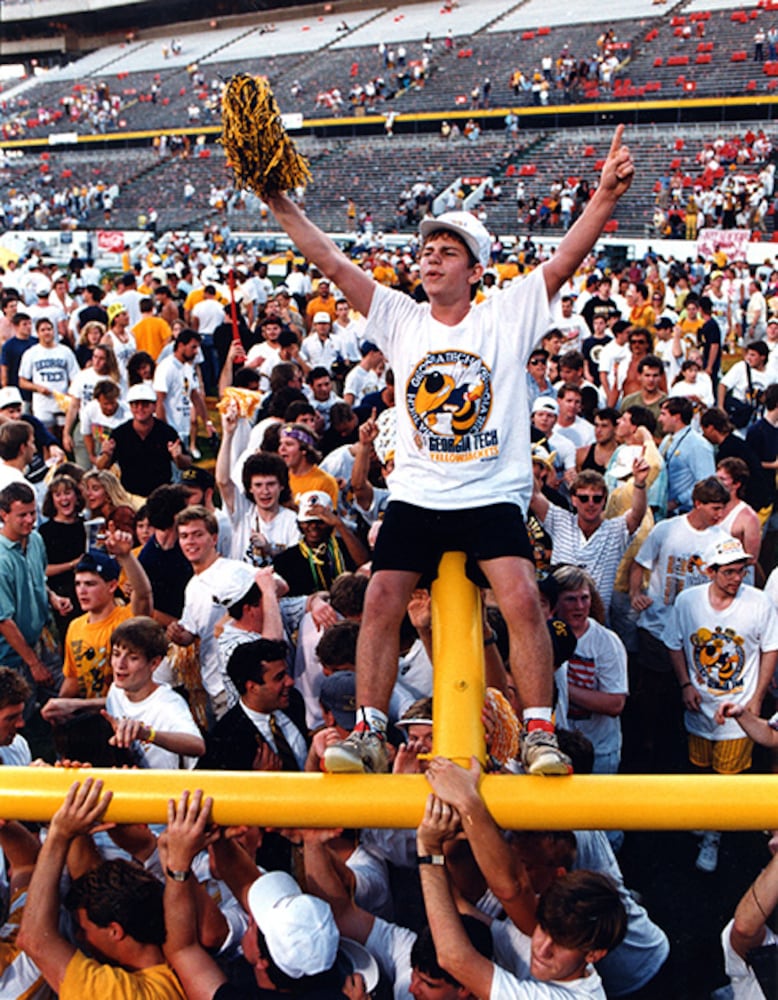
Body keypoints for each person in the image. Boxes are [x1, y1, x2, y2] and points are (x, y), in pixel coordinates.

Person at [268, 125, 635, 775]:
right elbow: (330, 261)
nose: (431, 259)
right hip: (418, 490)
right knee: (380, 598)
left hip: (489, 490)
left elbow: (565, 259)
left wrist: (604, 198)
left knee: (522, 596)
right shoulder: (399, 316)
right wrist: (281, 204)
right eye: (427, 249)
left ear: (475, 268)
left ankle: (538, 731)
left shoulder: (506, 313)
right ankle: (372, 728)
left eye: (447, 250)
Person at [415, 791, 627, 999]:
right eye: (543, 929)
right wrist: (445, 844)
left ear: (594, 954)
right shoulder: (544, 947)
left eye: (562, 943)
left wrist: (429, 850)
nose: (541, 949)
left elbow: (454, 958)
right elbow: (460, 906)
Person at [665, 537, 778, 873]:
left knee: (728, 775)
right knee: (700, 765)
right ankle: (706, 819)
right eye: (729, 572)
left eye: (741, 571)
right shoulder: (687, 602)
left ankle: (713, 835)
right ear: (710, 571)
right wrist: (685, 683)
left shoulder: (758, 603)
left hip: (738, 709)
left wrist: (755, 700)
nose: (737, 578)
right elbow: (674, 643)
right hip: (699, 706)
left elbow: (770, 649)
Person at [16, 778, 186, 999]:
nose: (78, 936)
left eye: (83, 928)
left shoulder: (119, 993)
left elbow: (33, 940)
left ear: (115, 931)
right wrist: (69, 791)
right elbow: (87, 876)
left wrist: (58, 834)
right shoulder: (177, 963)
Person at [530, 459, 649, 618]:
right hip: (559, 618)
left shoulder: (615, 531)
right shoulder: (559, 520)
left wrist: (640, 483)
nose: (590, 504)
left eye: (597, 498)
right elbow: (534, 496)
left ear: (604, 501)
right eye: (584, 498)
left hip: (596, 620)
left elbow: (637, 515)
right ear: (573, 499)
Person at [0, 481, 70, 693]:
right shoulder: (2, 560)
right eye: (22, 515)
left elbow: (39, 580)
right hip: (13, 656)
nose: (30, 520)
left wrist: (53, 598)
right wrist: (33, 663)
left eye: (32, 513)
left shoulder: (36, 540)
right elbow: (3, 619)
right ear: (4, 515)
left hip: (43, 640)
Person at [199, 637, 308, 771]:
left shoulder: (294, 701)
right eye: (279, 677)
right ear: (252, 687)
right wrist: (257, 781)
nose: (290, 681)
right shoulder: (226, 738)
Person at [98, 382, 191, 497]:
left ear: (154, 406)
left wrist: (178, 457)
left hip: (161, 494)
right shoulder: (120, 433)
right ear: (130, 407)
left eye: (145, 404)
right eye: (135, 405)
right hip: (129, 495)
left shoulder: (166, 432)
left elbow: (186, 464)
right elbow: (101, 467)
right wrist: (107, 454)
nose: (140, 408)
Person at [658, 397, 715, 516]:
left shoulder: (698, 445)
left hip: (684, 512)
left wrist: (678, 501)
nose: (659, 419)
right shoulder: (667, 440)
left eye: (663, 414)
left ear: (676, 417)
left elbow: (706, 481)